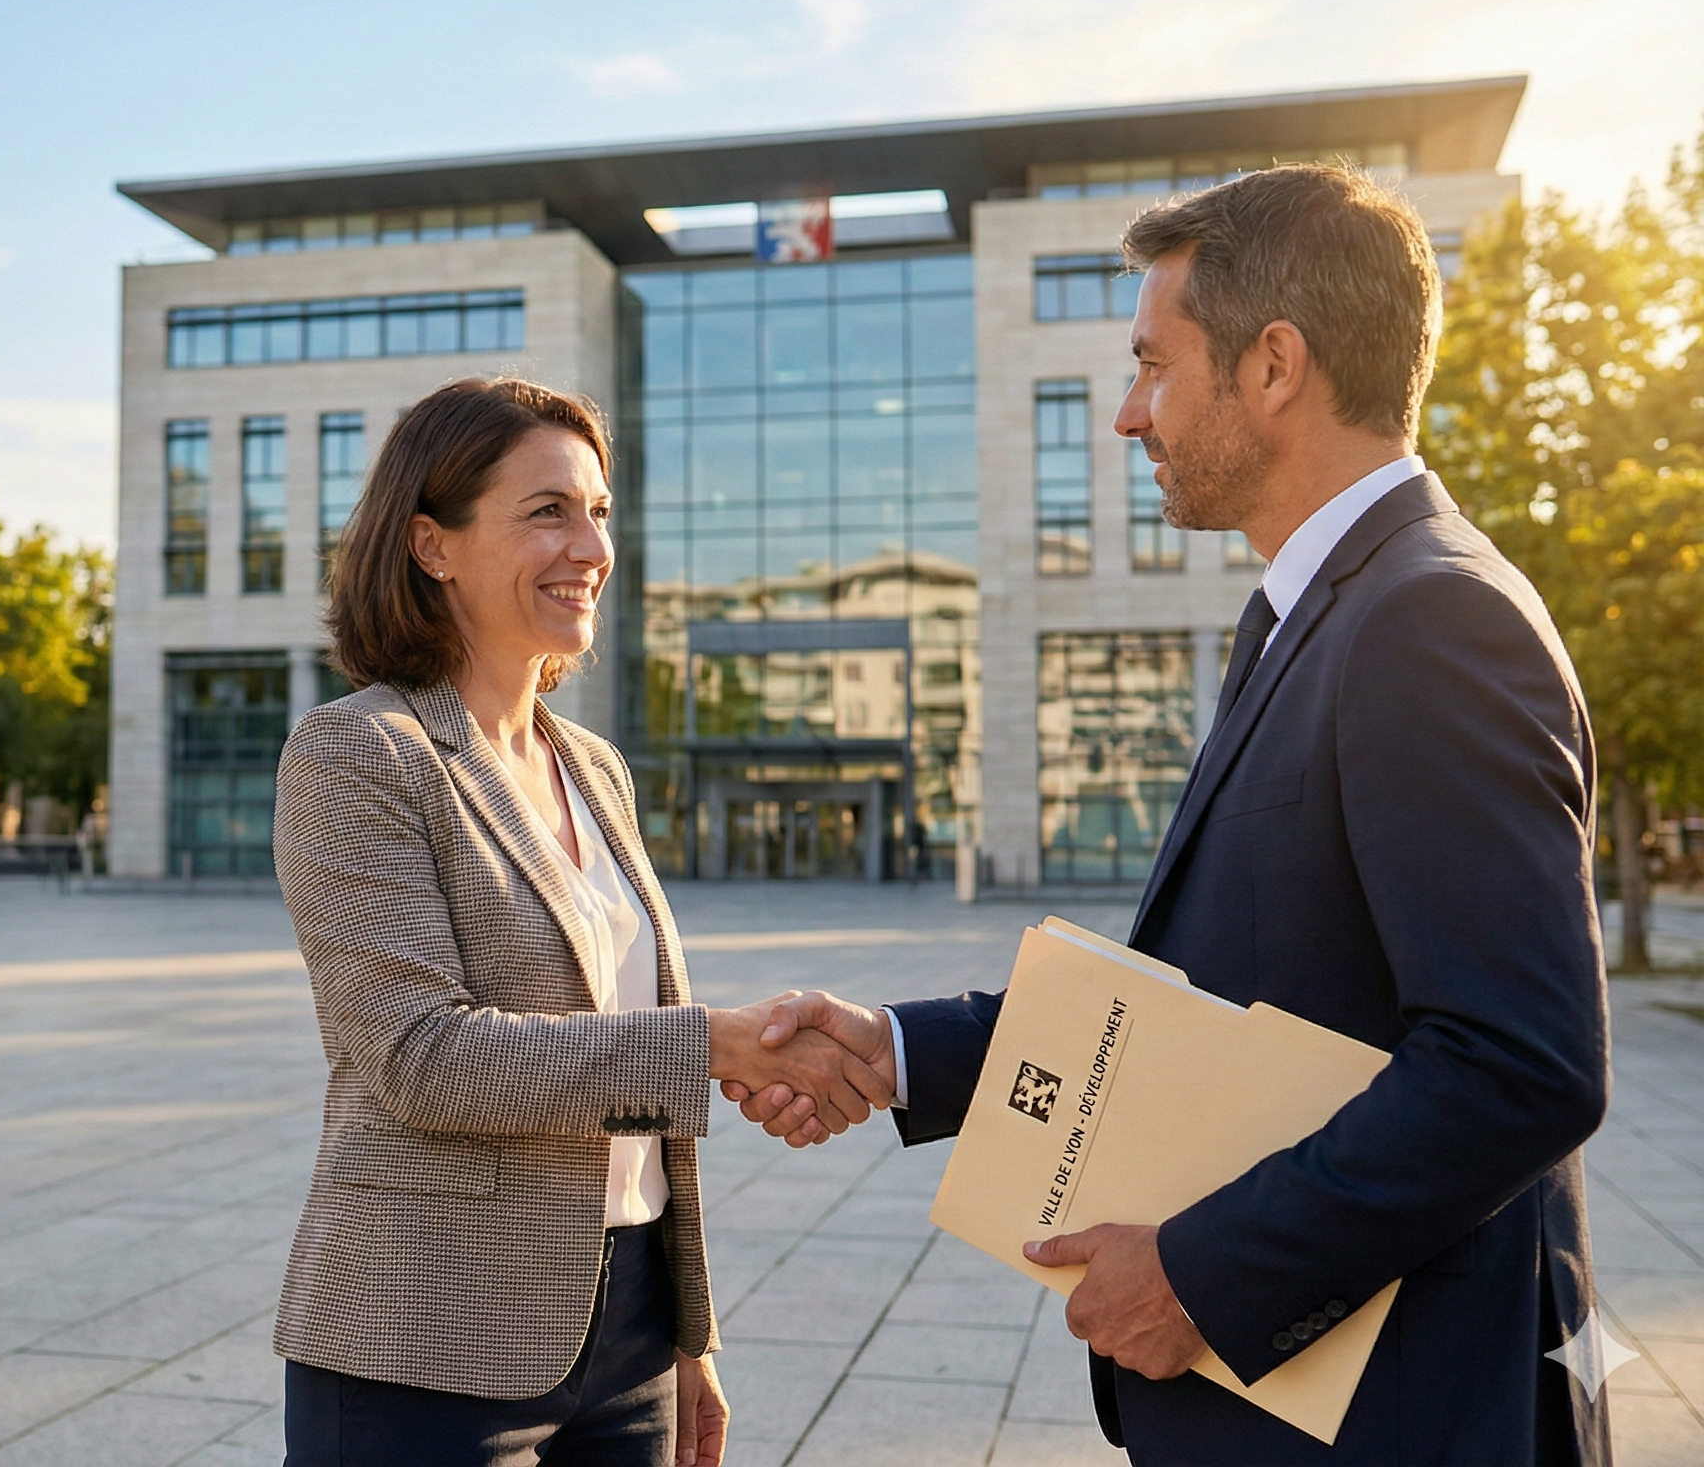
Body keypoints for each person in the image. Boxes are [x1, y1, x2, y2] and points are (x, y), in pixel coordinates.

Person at [733, 164, 1611, 1464]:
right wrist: (898, 1052)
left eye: (1152, 364)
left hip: (1392, 1416)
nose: (1127, 414)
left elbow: (1519, 1063)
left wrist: (1204, 1276)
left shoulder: (1429, 619)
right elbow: (1212, 989)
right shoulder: (1309, 620)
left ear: (1274, 366)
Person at [271, 377, 892, 1467]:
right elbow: (421, 1058)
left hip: (631, 1336)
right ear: (432, 545)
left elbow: (624, 1061)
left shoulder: (593, 767)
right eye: (548, 511)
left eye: (599, 511)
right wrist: (715, 1044)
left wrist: (686, 1332)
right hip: (427, 1340)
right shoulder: (359, 753)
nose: (592, 547)